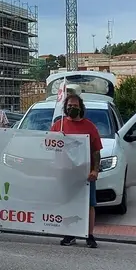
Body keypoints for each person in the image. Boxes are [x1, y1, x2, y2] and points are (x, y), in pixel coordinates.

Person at [51, 93, 102, 248]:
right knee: (68, 202)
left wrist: (95, 171)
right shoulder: (58, 125)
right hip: (66, 172)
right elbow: (48, 146)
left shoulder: (89, 126)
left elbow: (96, 152)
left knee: (89, 204)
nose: (72, 108)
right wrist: (57, 138)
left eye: (75, 106)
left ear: (81, 108)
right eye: (69, 105)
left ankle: (89, 235)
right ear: (65, 107)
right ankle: (70, 234)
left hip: (85, 174)